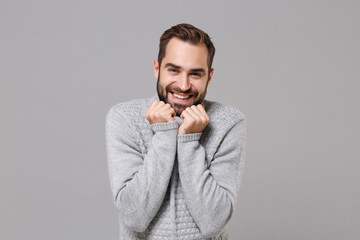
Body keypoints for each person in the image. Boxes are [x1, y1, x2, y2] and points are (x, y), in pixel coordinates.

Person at [105, 23, 246, 240]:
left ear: (209, 76)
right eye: (173, 70)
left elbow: (213, 222)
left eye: (196, 74)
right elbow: (134, 217)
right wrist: (164, 133)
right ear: (156, 68)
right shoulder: (125, 117)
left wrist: (189, 141)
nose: (183, 85)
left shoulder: (228, 122)